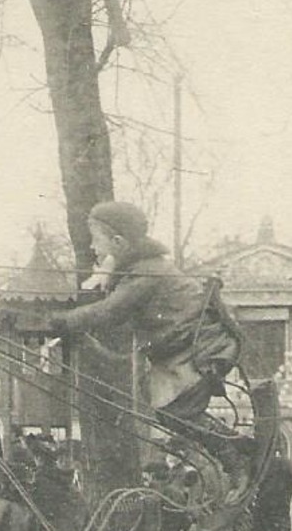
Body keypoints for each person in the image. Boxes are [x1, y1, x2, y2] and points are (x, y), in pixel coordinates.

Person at [46, 200, 258, 510]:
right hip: (179, 346)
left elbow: (110, 311)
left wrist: (59, 322)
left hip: (198, 346)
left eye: (97, 238)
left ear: (118, 242)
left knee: (174, 412)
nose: (92, 246)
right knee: (171, 413)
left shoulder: (146, 274)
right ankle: (234, 449)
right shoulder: (135, 267)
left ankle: (237, 458)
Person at [249, 442, 292, 531]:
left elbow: (266, 496)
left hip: (268, 521)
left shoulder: (269, 466)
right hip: (282, 519)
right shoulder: (288, 464)